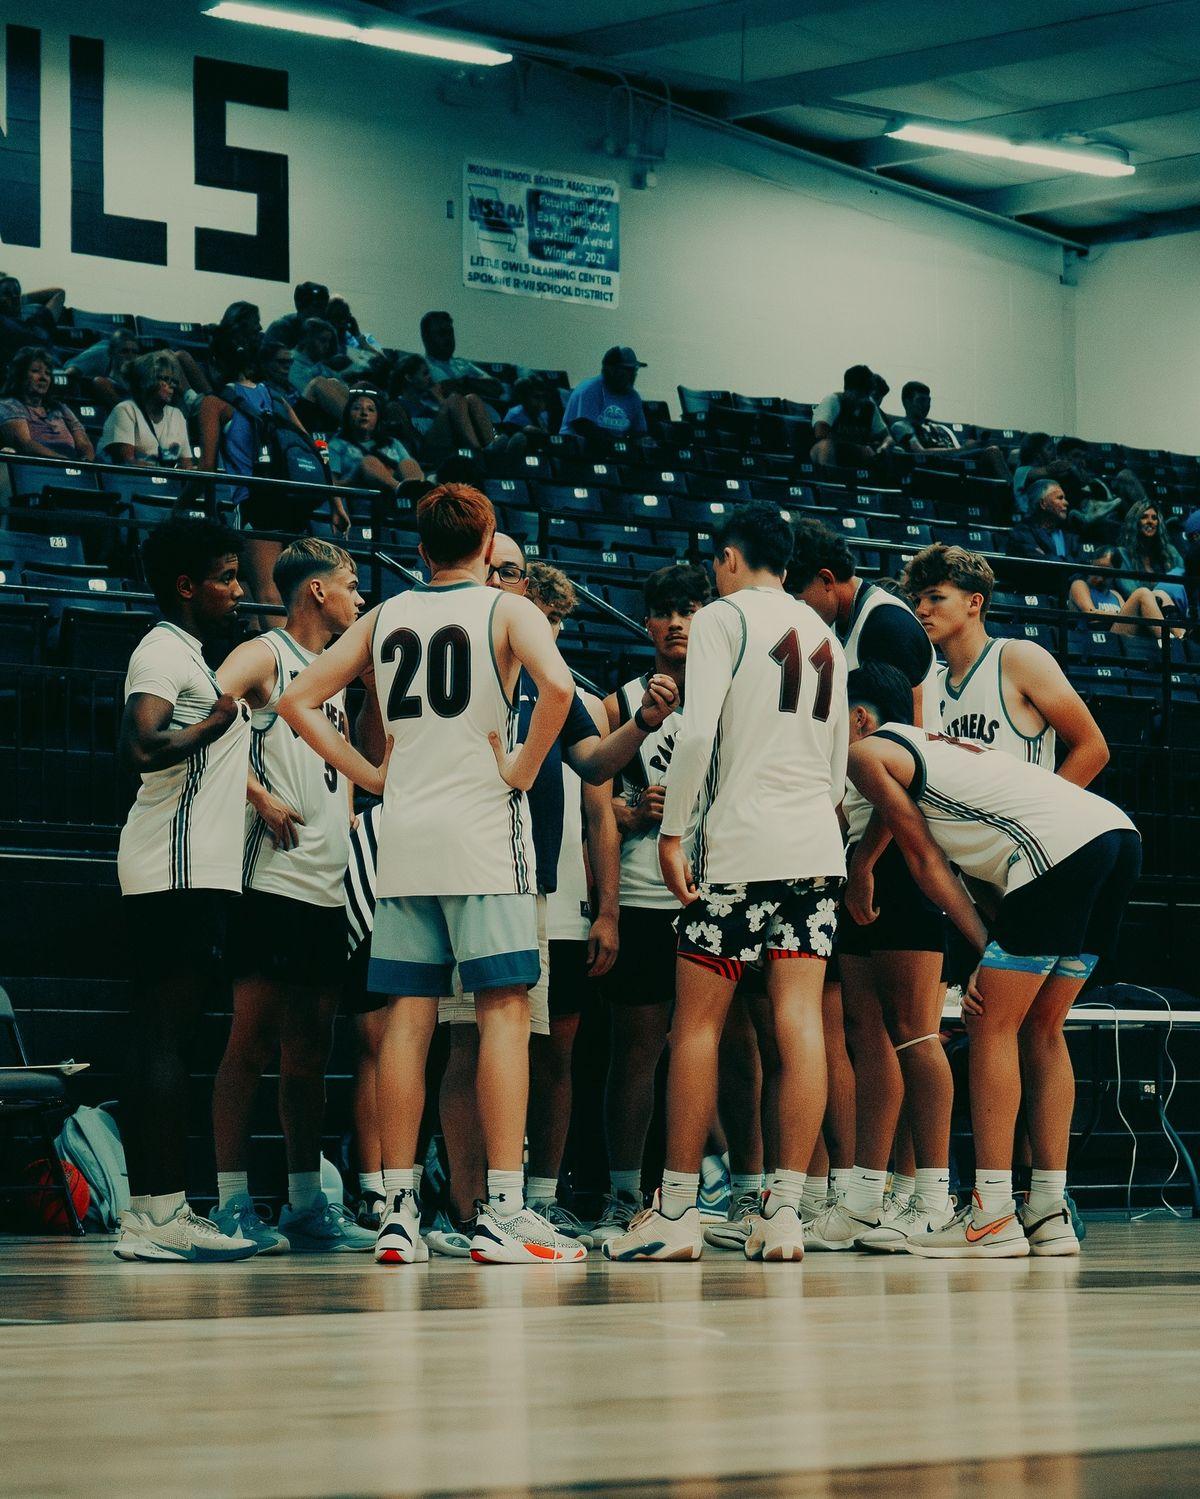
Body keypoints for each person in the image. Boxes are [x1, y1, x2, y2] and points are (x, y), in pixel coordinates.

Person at [277, 483, 585, 1265]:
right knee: (503, 1014)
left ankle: (396, 1210)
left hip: (408, 840)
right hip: (484, 836)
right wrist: (522, 767)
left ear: (420, 548)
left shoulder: (385, 615)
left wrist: (372, 776)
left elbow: (297, 699)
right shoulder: (507, 609)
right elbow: (559, 687)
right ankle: (504, 1210)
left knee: (407, 1023)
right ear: (488, 544)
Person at [605, 504, 848, 1263]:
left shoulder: (721, 618)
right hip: (816, 848)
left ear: (730, 558)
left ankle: (677, 1210)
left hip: (741, 847)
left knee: (697, 1026)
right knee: (799, 1024)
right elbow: (838, 758)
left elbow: (700, 731)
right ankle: (785, 1214)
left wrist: (674, 830)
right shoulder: (824, 632)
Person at [844, 662, 1141, 1257]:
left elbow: (925, 860)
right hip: (1116, 836)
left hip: (1056, 851)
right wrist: (865, 865)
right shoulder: (935, 749)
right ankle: (1047, 1212)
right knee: (1043, 1028)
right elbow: (938, 843)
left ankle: (990, 1213)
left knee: (990, 1023)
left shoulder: (864, 753)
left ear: (856, 719)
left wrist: (984, 948)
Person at [433, 536, 679, 1249]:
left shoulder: (557, 680)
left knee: (529, 1045)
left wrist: (642, 723)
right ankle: (463, 1208)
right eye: (502, 572)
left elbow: (595, 770)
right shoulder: (460, 660)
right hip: (465, 870)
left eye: (515, 573)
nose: (512, 585)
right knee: (463, 1041)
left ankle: (517, 1203)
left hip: (534, 881)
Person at [209, 540, 374, 1254]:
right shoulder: (265, 655)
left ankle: (306, 1201)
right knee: (250, 1042)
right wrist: (257, 793)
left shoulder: (335, 672)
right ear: (316, 591)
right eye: (351, 584)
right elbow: (198, 715)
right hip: (271, 880)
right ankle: (230, 1201)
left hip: (327, 882)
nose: (360, 598)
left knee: (311, 1050)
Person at [788, 520, 950, 1250]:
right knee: (867, 1033)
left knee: (912, 1031)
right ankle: (867, 1196)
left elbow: (903, 763)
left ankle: (927, 1195)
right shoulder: (852, 627)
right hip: (864, 840)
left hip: (898, 846)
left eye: (802, 596)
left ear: (829, 580)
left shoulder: (885, 627)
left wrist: (865, 860)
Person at [113, 518, 255, 1262]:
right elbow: (141, 744)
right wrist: (218, 722)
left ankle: (150, 1211)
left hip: (183, 869)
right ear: (186, 586)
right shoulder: (163, 651)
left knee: (160, 1039)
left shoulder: (188, 653)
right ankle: (163, 1211)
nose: (238, 590)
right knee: (166, 1039)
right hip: (175, 868)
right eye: (226, 577)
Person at [589, 563, 714, 1247]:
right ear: (646, 624)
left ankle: (729, 1185)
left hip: (714, 889)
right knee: (635, 1051)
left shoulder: (729, 693)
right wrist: (631, 811)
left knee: (729, 1043)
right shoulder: (622, 701)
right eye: (664, 611)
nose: (676, 623)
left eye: (688, 609)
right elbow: (594, 802)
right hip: (641, 893)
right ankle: (623, 1189)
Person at [522, 563, 621, 1235]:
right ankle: (483, 1190)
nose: (551, 629)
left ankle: (540, 1194)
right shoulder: (495, 682)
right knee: (486, 1044)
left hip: (564, 902)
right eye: (542, 615)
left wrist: (607, 909)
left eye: (558, 619)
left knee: (557, 1054)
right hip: (502, 886)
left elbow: (599, 813)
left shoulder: (579, 698)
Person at [903, 543, 1108, 783]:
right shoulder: (931, 683)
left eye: (935, 597)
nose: (921, 610)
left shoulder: (1018, 658)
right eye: (917, 601)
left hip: (1021, 806)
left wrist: (1044, 803)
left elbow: (1093, 748)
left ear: (974, 602)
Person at [889, 382, 1008, 479]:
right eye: (921, 400)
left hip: (956, 462)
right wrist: (962, 449)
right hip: (936, 466)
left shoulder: (941, 428)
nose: (926, 405)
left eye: (928, 401)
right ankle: (1013, 493)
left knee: (1006, 453)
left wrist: (972, 446)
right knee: (992, 452)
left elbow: (958, 449)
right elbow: (919, 452)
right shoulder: (902, 426)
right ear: (907, 402)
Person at [98, 351, 193, 468]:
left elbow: (186, 464)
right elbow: (127, 463)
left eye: (173, 381)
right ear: (148, 379)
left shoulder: (177, 415)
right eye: (166, 379)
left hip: (164, 479)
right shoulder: (125, 410)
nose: (172, 385)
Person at [392, 354, 496, 459]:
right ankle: (477, 451)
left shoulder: (428, 401)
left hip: (446, 437)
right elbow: (413, 439)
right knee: (454, 399)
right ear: (409, 378)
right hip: (428, 446)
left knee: (472, 398)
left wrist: (439, 399)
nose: (430, 377)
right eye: (425, 374)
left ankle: (491, 446)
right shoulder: (397, 405)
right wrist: (442, 402)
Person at [0, 346, 93, 461]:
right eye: (35, 371)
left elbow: (84, 443)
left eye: (47, 373)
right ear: (20, 375)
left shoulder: (61, 408)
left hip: (72, 464)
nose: (43, 378)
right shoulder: (9, 405)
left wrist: (87, 463)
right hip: (38, 465)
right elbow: (25, 443)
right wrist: (66, 463)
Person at [1068, 548, 1182, 639]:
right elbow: (1091, 614)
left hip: (1123, 641)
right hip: (1099, 640)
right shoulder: (1080, 584)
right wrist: (1120, 615)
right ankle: (1169, 642)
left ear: (1115, 573)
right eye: (1097, 570)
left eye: (1106, 573)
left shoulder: (1115, 595)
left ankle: (1181, 637)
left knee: (1160, 593)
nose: (1100, 578)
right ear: (1091, 564)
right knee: (1142, 593)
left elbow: (1127, 617)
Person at [327, 389, 423, 494]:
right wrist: (356, 477)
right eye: (357, 408)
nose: (364, 413)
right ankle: (399, 488)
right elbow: (331, 484)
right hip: (363, 496)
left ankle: (420, 493)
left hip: (395, 497)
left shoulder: (392, 443)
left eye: (370, 409)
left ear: (378, 417)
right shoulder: (336, 445)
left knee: (408, 463)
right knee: (369, 462)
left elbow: (406, 467)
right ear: (348, 415)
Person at [810, 365, 891, 469]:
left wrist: (883, 447)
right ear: (848, 389)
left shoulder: (870, 405)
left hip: (856, 452)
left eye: (866, 394)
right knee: (825, 446)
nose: (863, 399)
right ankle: (827, 478)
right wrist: (854, 447)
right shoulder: (833, 400)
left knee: (872, 453)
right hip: (830, 451)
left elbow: (887, 437)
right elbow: (820, 433)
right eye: (860, 394)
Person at [1113, 499, 1186, 614]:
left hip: (1172, 611)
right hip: (1139, 614)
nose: (1150, 521)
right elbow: (1131, 592)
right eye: (1144, 517)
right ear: (1135, 522)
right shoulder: (1122, 554)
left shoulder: (1170, 551)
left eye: (1154, 518)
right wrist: (1161, 595)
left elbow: (1185, 580)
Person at [560, 347, 648, 439]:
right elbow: (583, 427)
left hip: (614, 446)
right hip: (578, 445)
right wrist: (615, 441)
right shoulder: (588, 390)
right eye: (628, 370)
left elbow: (640, 431)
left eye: (635, 370)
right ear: (611, 369)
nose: (633, 375)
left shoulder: (633, 397)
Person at [418, 310, 503, 400]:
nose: (448, 337)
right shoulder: (422, 367)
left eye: (450, 332)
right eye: (441, 333)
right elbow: (441, 390)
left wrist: (464, 382)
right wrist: (476, 386)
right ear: (426, 337)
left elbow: (497, 388)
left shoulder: (463, 364)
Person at [66, 326, 141, 409]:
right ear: (111, 353)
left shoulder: (140, 365)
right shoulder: (100, 354)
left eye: (134, 352)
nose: (130, 356)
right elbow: (70, 373)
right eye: (124, 351)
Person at [1008, 478, 1082, 563]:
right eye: (1060, 498)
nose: (1066, 503)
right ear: (1043, 504)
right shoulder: (1021, 533)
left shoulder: (1069, 534)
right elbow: (1042, 564)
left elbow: (1081, 560)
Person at [0, 273, 62, 370]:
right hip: (32, 370)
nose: (14, 296)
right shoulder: (3, 323)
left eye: (17, 292)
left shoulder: (36, 321)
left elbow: (58, 293)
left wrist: (21, 298)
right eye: (7, 293)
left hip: (55, 363)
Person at [264, 281, 331, 349]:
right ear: (301, 306)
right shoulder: (280, 328)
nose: (323, 311)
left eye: (325, 306)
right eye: (317, 306)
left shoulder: (325, 330)